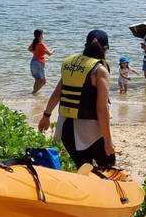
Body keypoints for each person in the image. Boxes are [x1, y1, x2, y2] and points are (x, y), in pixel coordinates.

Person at [37, 30, 117, 169]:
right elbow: (101, 109)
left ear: (85, 46)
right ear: (106, 49)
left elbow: (57, 93)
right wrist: (108, 142)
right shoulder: (99, 70)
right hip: (89, 131)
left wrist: (46, 116)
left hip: (66, 128)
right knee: (108, 166)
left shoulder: (71, 64)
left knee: (83, 169)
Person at [28, 29, 53, 94]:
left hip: (33, 62)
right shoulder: (41, 44)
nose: (43, 36)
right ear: (40, 36)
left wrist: (35, 52)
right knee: (43, 81)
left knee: (37, 80)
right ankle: (33, 93)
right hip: (39, 63)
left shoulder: (34, 43)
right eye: (42, 34)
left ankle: (33, 96)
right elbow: (49, 54)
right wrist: (53, 50)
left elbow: (29, 49)